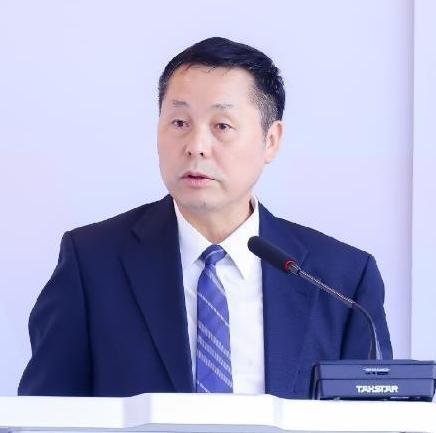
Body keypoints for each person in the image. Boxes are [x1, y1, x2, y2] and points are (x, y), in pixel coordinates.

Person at [18, 37, 392, 398]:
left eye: (221, 126)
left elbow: (373, 419)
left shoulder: (341, 281)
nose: (196, 146)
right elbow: (46, 414)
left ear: (270, 140)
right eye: (179, 123)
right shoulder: (92, 262)